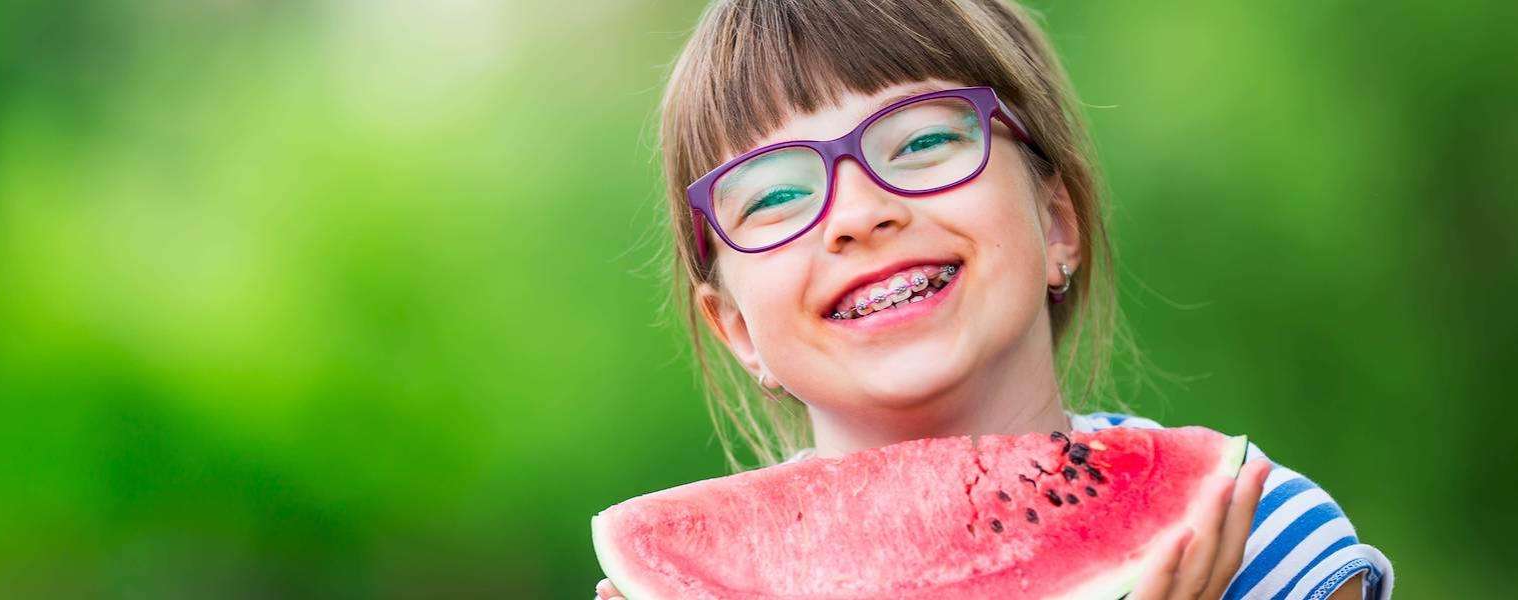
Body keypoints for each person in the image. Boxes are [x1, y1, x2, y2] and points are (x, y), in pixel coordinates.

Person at [597, 1, 1393, 598]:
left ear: (1056, 224)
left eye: (923, 142)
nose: (858, 213)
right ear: (736, 329)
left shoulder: (1257, 536)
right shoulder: (705, 586)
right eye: (772, 196)